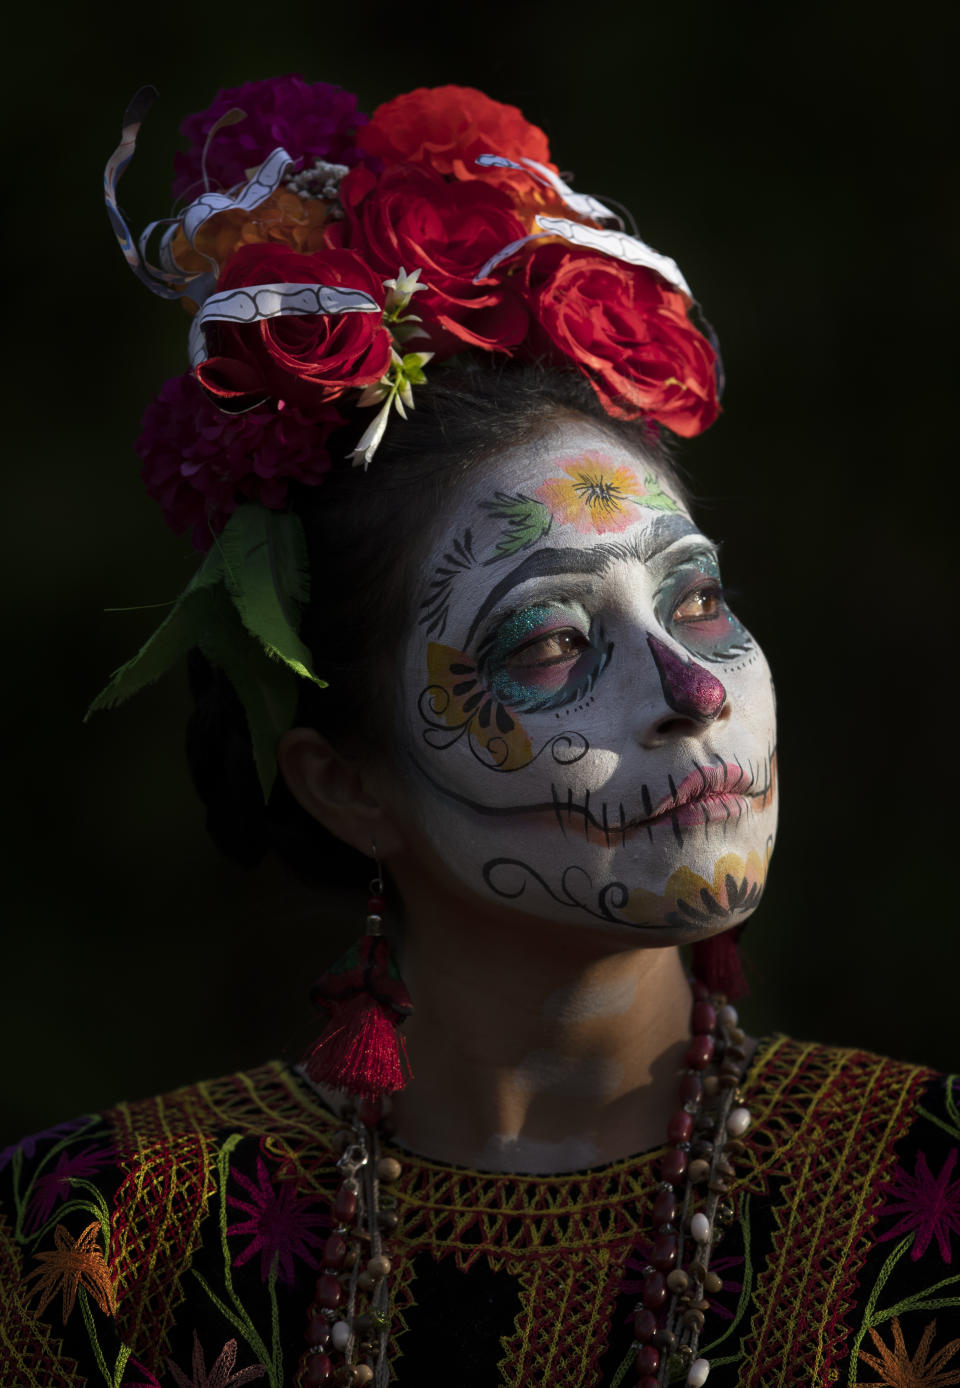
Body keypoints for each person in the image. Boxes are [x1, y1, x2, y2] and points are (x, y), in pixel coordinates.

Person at [0, 75, 957, 1388]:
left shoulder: (934, 1201)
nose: (696, 689)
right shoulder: (96, 1247)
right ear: (346, 784)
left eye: (698, 598)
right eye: (554, 641)